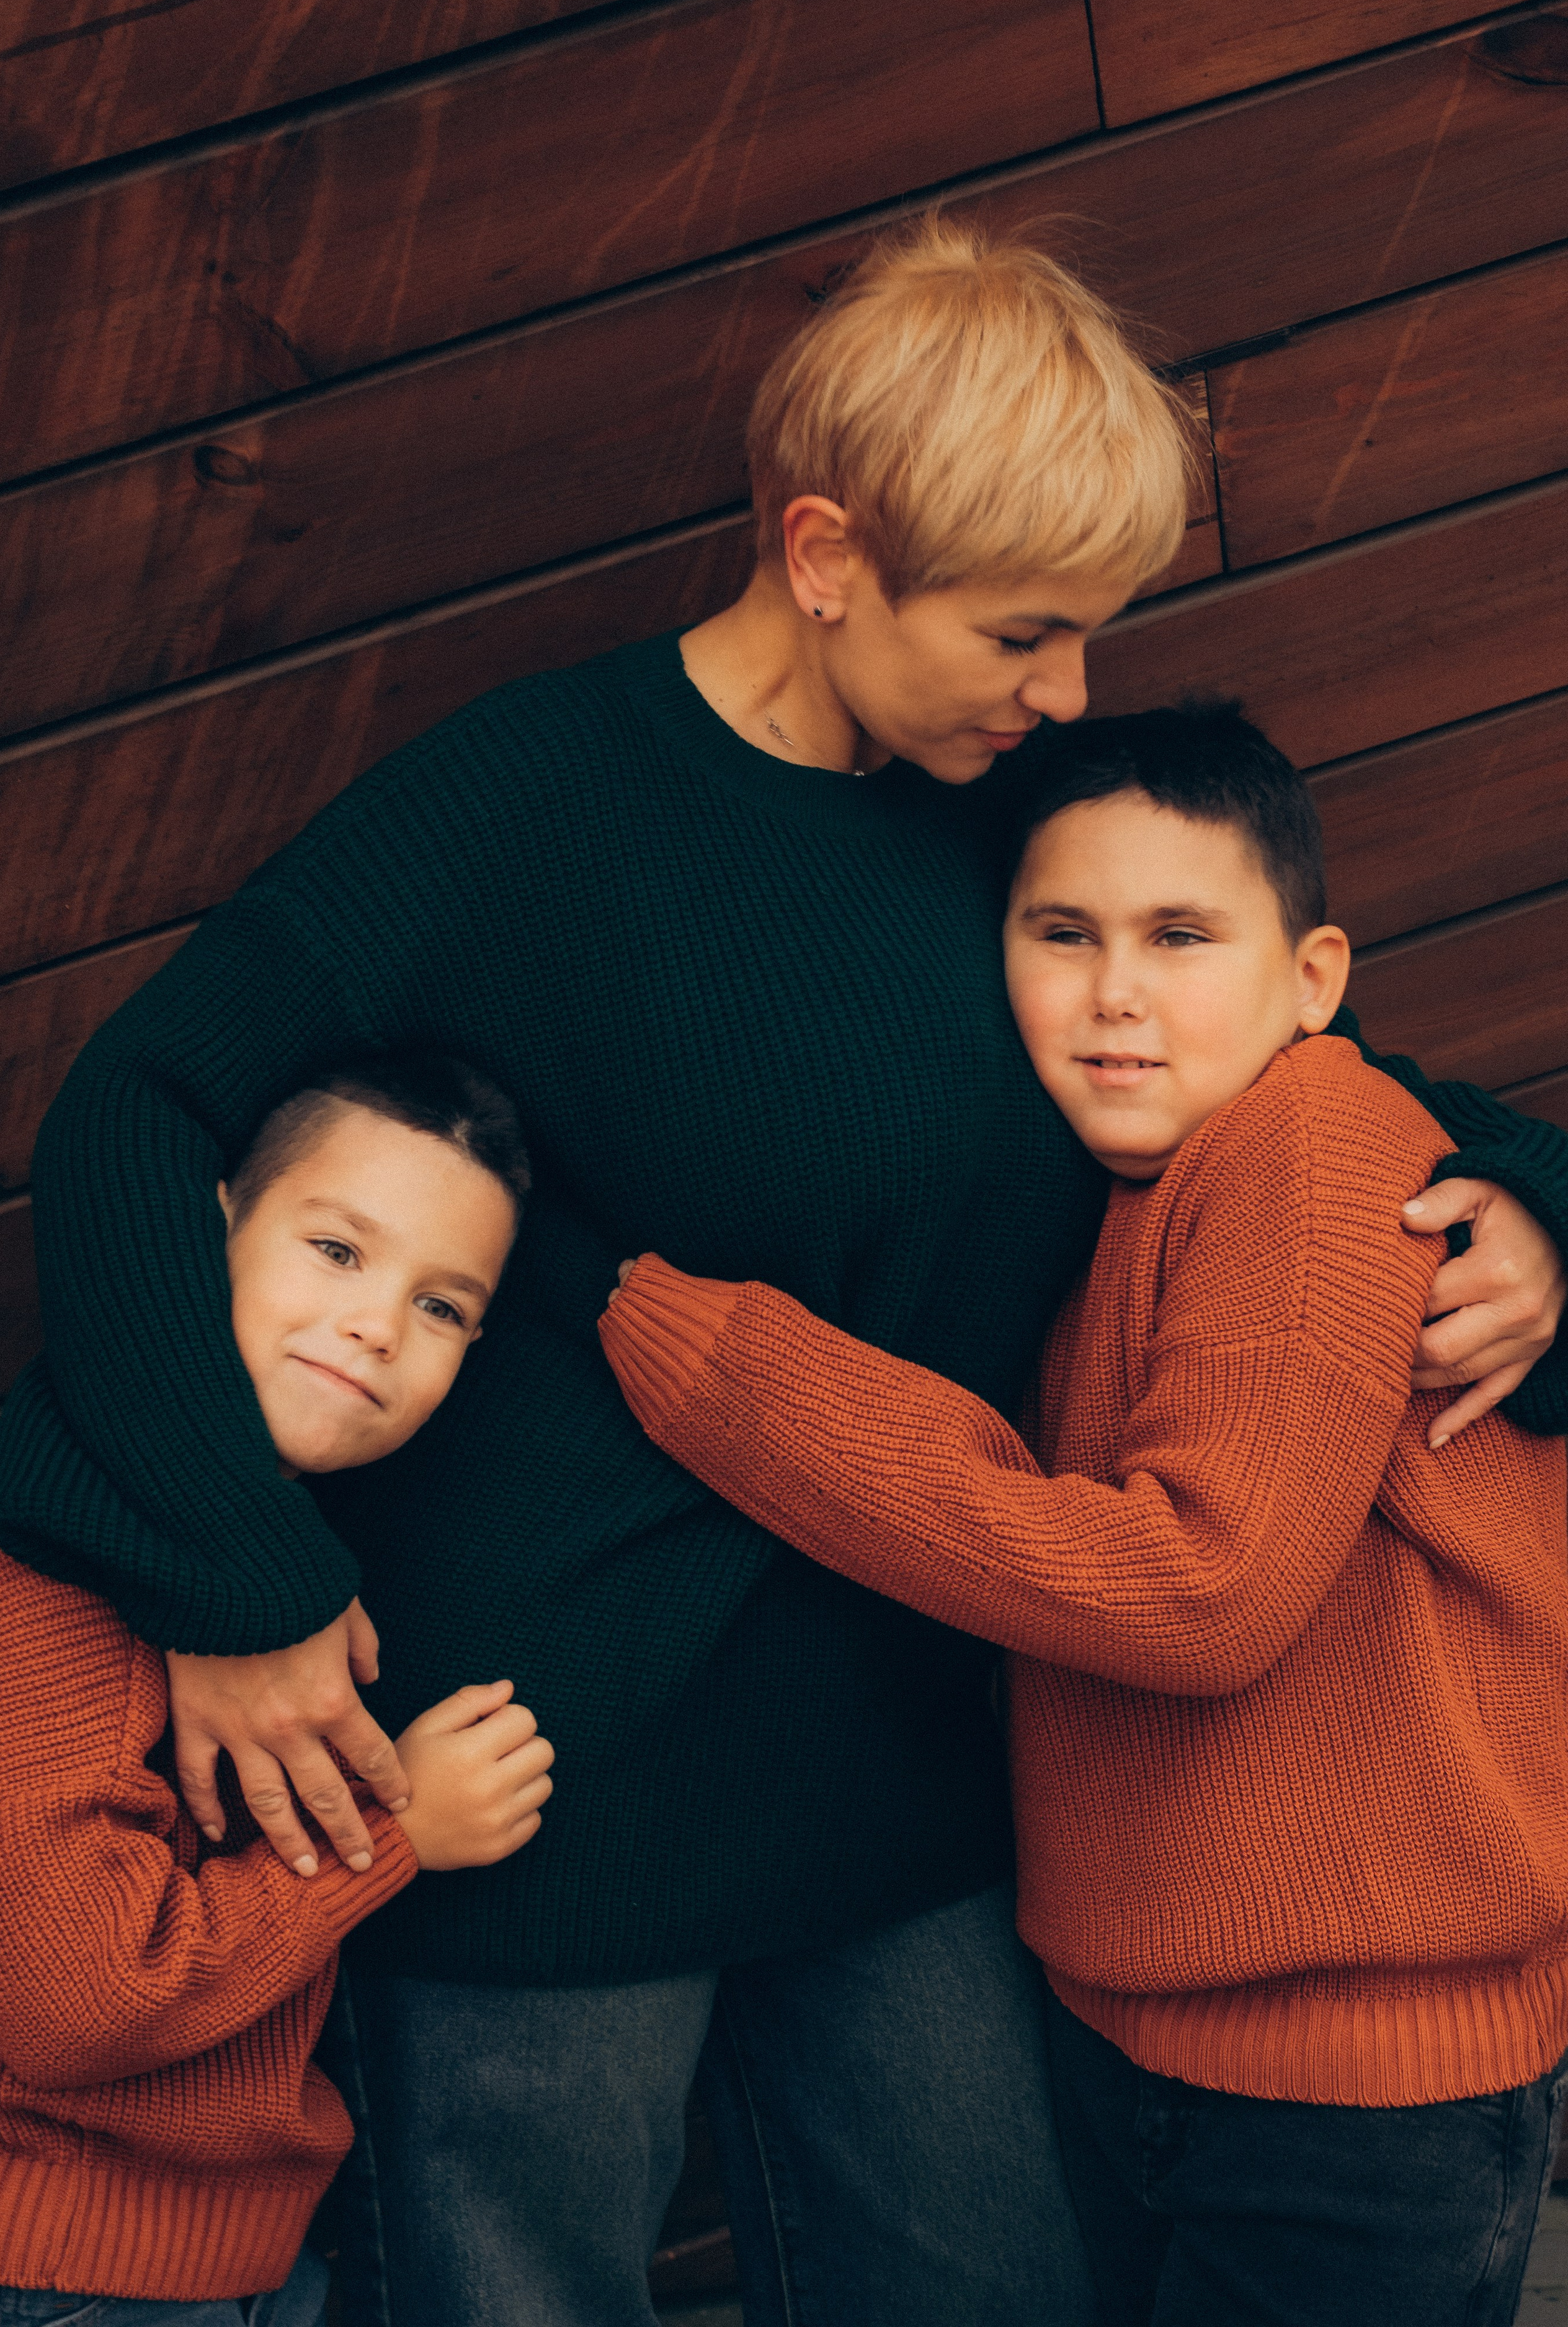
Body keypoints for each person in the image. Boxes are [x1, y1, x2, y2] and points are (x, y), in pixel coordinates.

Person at [0, 221, 1567, 2327]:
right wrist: (234, 1585)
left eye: (1096, 634)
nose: (1068, 693)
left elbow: (1288, 1062)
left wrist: (1546, 1208)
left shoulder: (1008, 823)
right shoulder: (532, 799)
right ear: (827, 558)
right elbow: (133, 1116)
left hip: (917, 1776)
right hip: (532, 1790)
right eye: (1022, 632)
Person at [599, 708, 1568, 2327]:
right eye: (1065, 935)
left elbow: (1199, 1591)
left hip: (1360, 2090)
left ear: (1314, 977)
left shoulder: (1313, 1143)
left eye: (1180, 936)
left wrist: (732, 1377)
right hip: (1151, 2042)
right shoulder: (1125, 1192)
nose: (1117, 991)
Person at [0, 1055, 553, 2326]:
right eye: (340, 1251)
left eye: (443, 1306)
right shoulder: (51, 1570)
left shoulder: (298, 1571)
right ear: (212, 1225)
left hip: (223, 2259)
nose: (377, 1324)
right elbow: (78, 2002)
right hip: (60, 2264)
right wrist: (400, 1840)